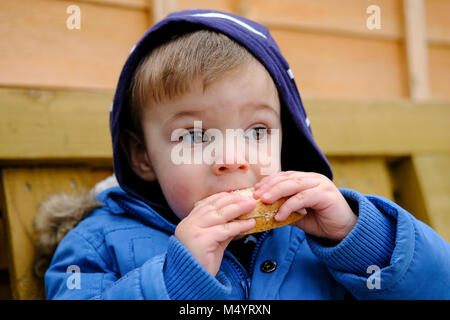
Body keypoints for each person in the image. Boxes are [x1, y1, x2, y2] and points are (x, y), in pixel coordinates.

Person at [42, 9, 450, 299]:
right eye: (195, 136)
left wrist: (361, 240)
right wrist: (177, 282)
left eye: (257, 131)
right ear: (142, 156)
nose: (233, 157)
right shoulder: (99, 245)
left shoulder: (320, 234)